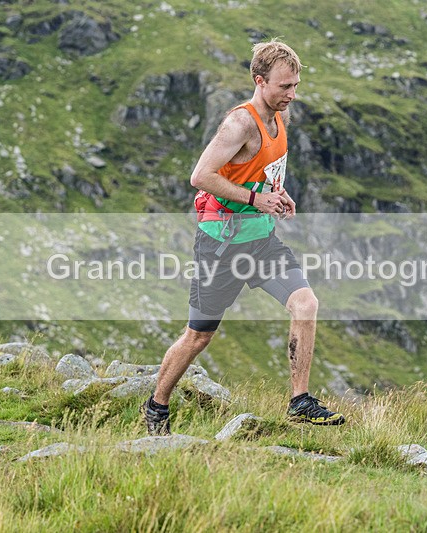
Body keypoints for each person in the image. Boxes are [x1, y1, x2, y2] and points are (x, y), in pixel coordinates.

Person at [141, 39, 345, 435]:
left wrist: (277, 195)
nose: (292, 94)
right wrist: (256, 198)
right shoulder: (241, 123)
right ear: (259, 80)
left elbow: (259, 170)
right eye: (284, 86)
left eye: (296, 85)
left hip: (261, 240)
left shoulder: (278, 119)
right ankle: (156, 406)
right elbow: (200, 177)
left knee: (306, 303)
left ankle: (300, 401)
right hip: (221, 245)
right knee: (198, 336)